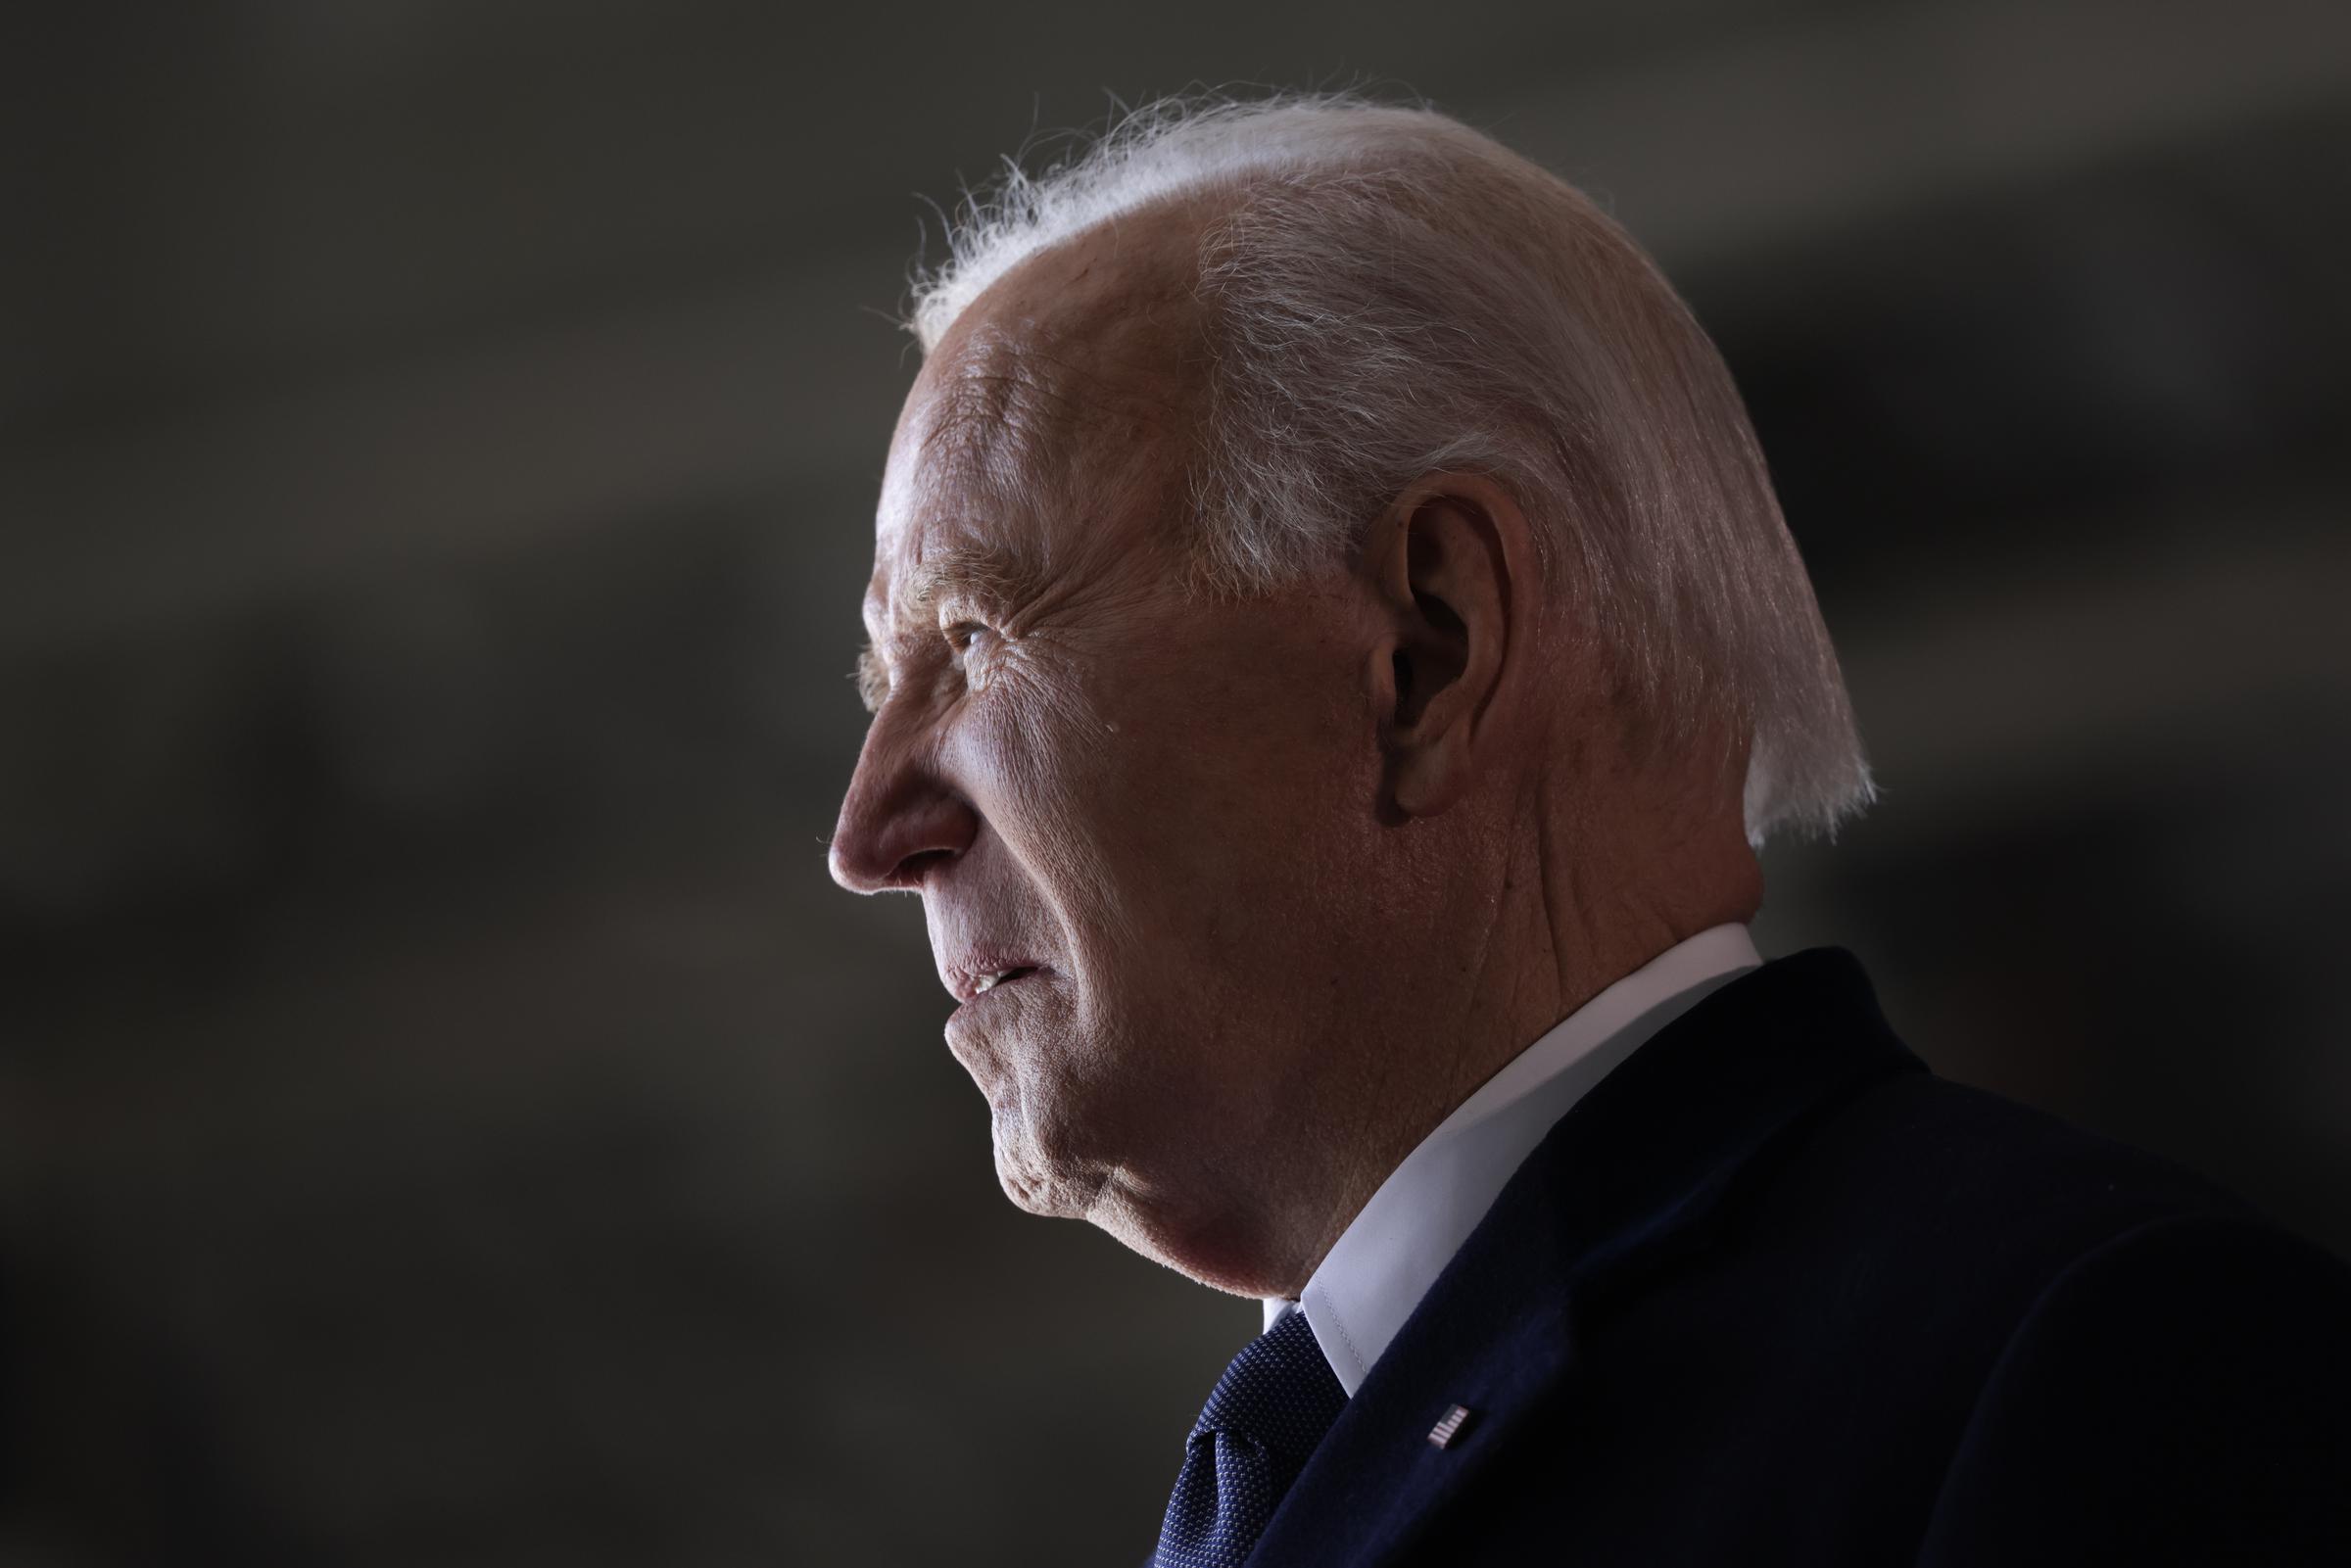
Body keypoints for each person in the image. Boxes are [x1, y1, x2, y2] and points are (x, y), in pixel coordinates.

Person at [826, 95, 2351, 1565]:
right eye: (883, 690)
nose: (869, 831)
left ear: (1430, 643)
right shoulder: (1322, 1458)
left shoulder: (2094, 1371)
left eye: (969, 643)